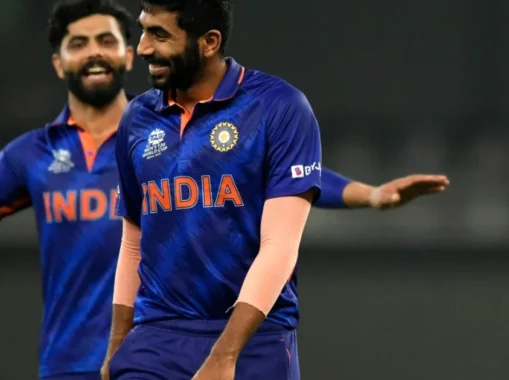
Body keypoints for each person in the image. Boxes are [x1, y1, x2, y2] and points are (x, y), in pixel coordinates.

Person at [0, 1, 448, 380]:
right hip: (83, 362)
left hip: (189, 344)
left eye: (107, 38)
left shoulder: (170, 127)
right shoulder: (36, 158)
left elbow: (278, 185)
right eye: (77, 43)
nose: (93, 51)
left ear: (127, 54)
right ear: (58, 62)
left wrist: (370, 196)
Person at [102, 1, 448, 379]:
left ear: (209, 41)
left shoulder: (279, 107)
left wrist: (225, 355)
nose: (143, 48)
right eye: (143, 31)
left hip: (255, 340)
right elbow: (133, 239)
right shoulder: (137, 118)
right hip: (156, 339)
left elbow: (279, 245)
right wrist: (119, 345)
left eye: (160, 34)